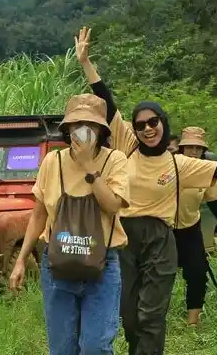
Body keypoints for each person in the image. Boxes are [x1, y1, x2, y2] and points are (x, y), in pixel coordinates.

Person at [74, 26, 217, 355]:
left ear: (163, 123)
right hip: (124, 237)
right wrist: (86, 62)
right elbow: (106, 102)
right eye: (141, 125)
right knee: (129, 316)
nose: (147, 129)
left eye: (153, 122)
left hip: (160, 239)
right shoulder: (126, 144)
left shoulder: (180, 164)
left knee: (151, 314)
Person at [9, 93, 131, 355]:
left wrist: (89, 167)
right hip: (58, 263)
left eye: (91, 124)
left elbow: (112, 206)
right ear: (67, 128)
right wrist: (20, 260)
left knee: (95, 346)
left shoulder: (115, 160)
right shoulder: (53, 162)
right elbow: (39, 214)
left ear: (101, 130)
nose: (83, 130)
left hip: (102, 264)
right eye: (77, 124)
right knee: (62, 348)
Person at [174, 126, 217, 327]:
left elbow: (214, 202)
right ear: (182, 148)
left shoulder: (205, 172)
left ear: (203, 150)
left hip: (190, 228)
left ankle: (193, 322)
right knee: (160, 274)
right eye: (189, 147)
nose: (193, 151)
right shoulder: (169, 165)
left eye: (198, 148)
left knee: (197, 272)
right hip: (164, 229)